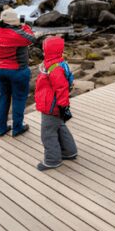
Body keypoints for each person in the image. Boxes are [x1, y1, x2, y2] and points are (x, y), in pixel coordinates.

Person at [34, 36, 77, 171]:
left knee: (48, 133)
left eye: (44, 49)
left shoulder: (55, 68)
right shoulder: (57, 63)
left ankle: (52, 160)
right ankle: (69, 151)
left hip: (51, 107)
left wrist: (63, 106)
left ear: (49, 51)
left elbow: (62, 88)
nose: (43, 52)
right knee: (59, 127)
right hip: (54, 105)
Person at [0, 9, 36, 137]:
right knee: (19, 98)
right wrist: (24, 25)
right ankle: (17, 128)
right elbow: (32, 38)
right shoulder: (17, 34)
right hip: (17, 71)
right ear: (13, 21)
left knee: (3, 97)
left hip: (0, 70)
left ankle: (1, 128)